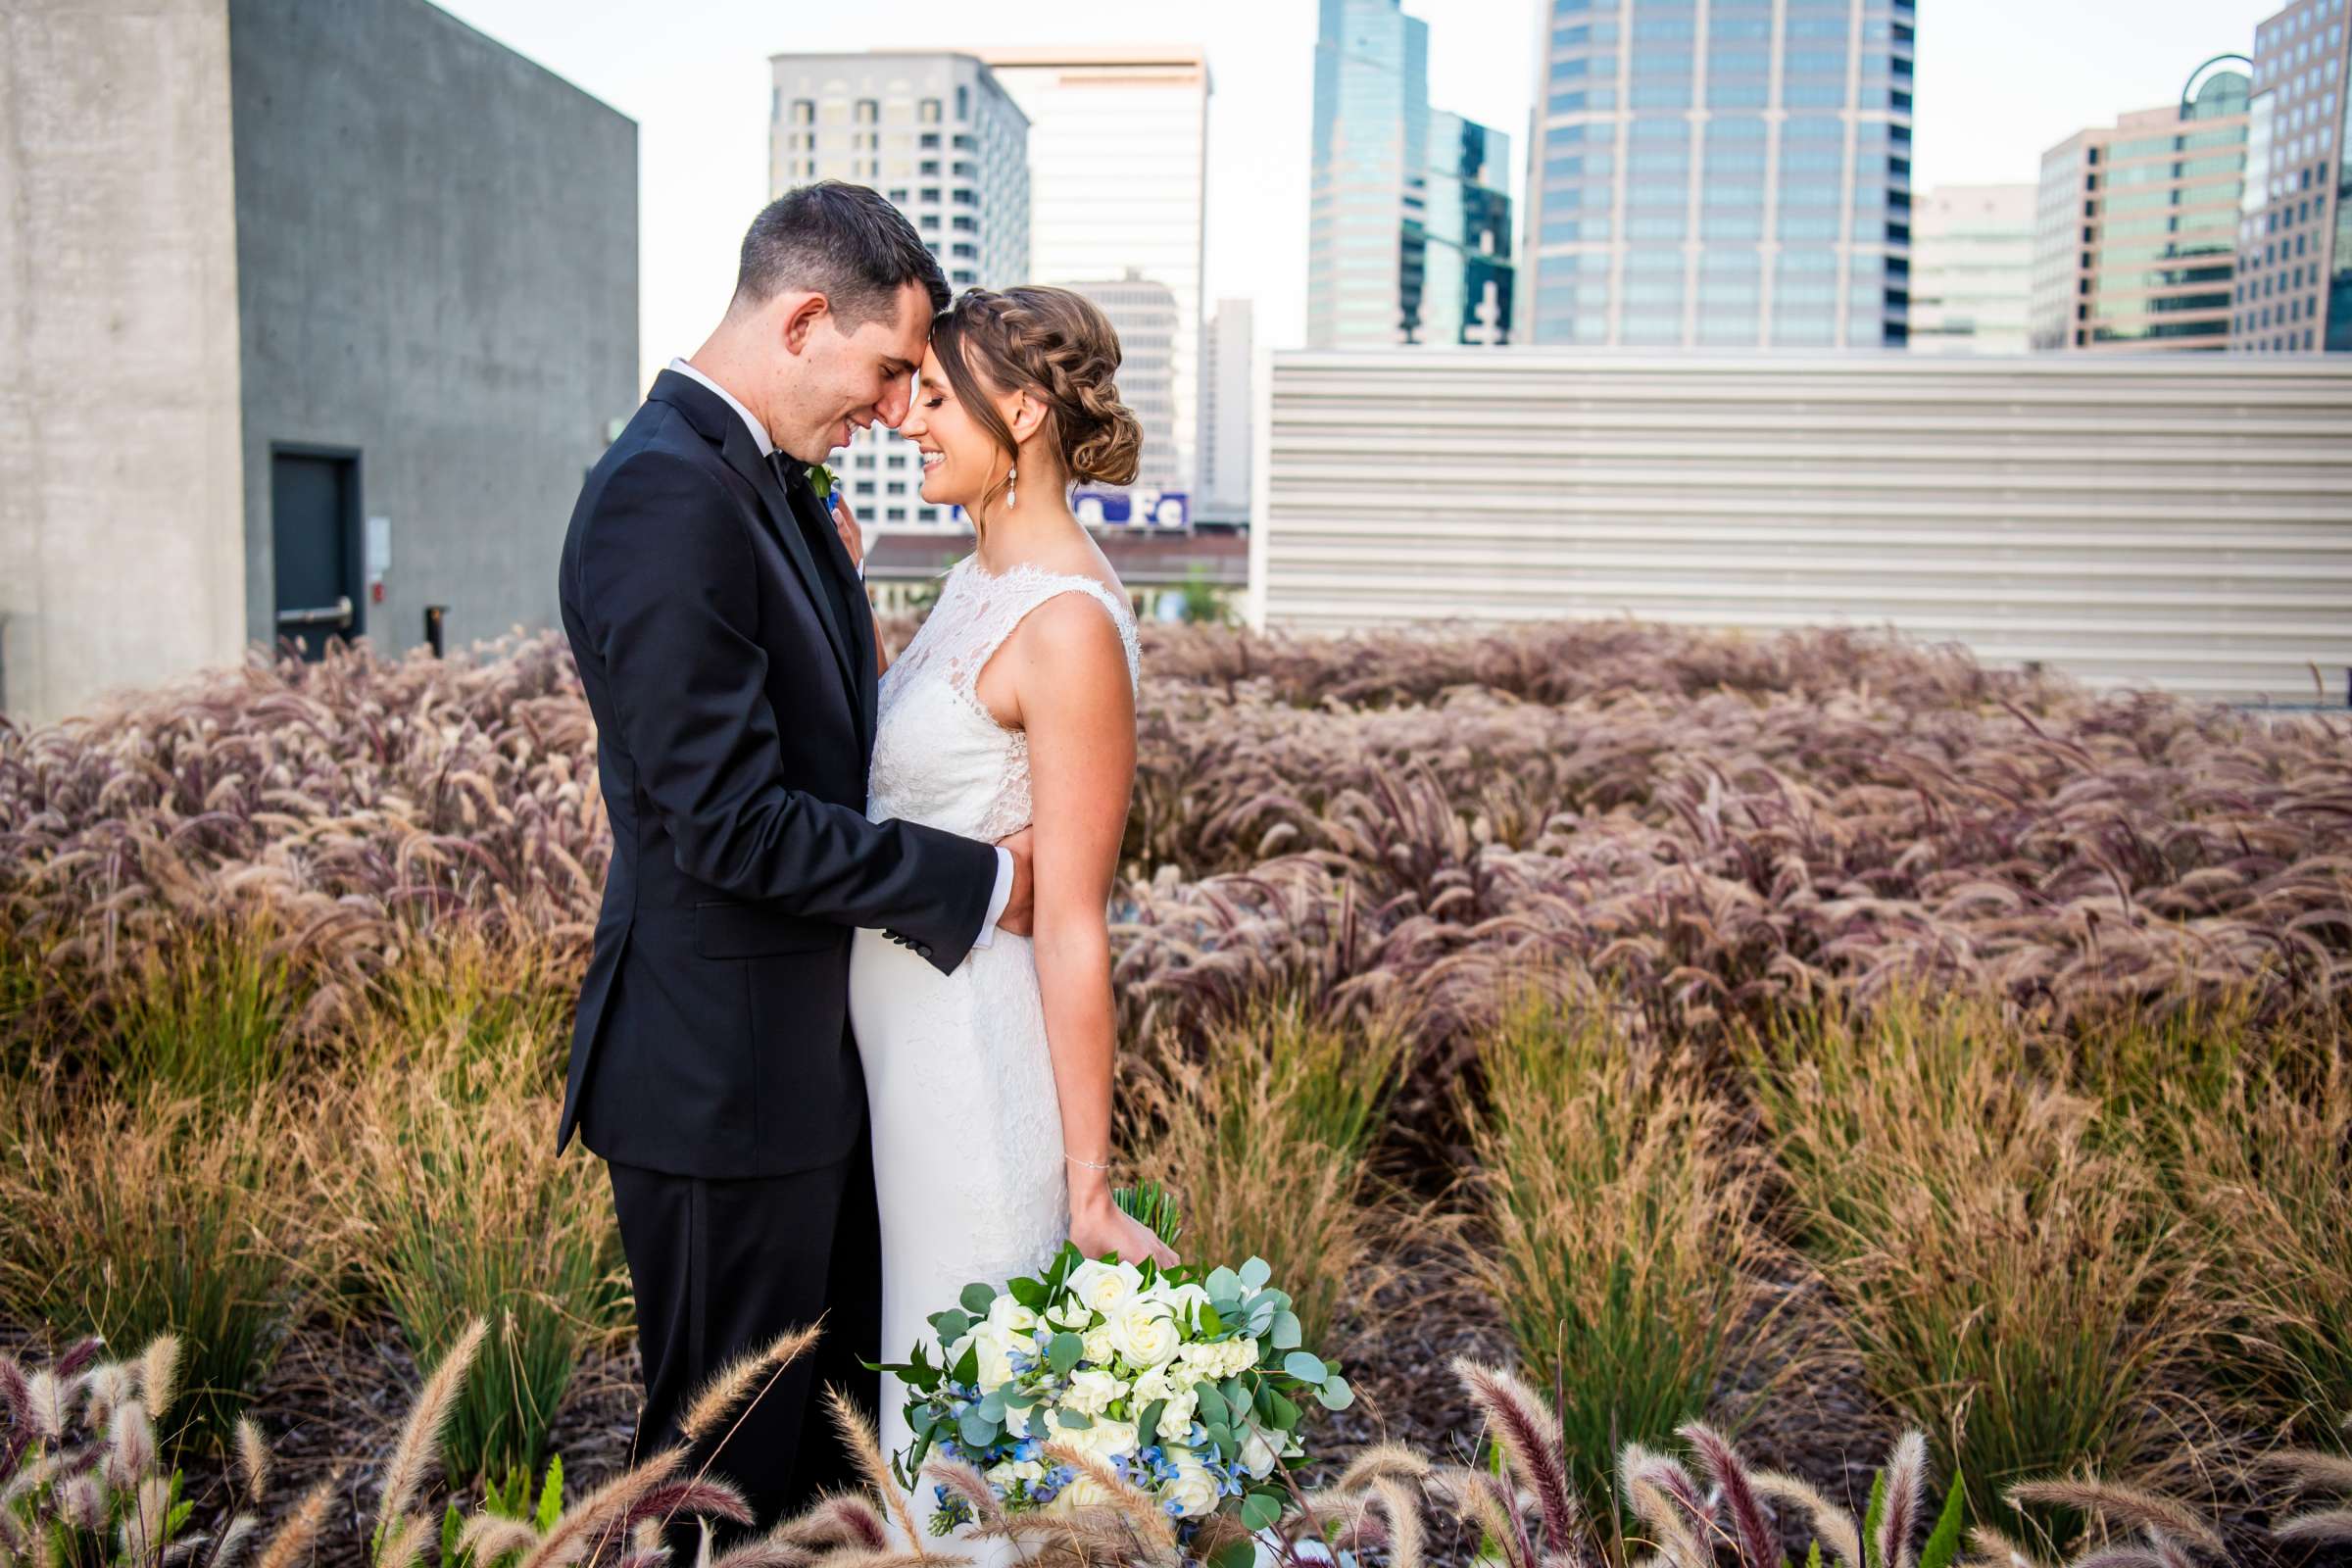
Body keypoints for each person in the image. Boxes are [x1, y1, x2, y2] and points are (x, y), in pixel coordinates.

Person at [553, 181, 1034, 1540]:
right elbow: (730, 823)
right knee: (717, 1491)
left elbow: (826, 741)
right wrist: (987, 882)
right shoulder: (665, 495)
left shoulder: (756, 485)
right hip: (717, 1085)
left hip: (795, 1077)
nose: (894, 408)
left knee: (814, 1482)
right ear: (807, 317)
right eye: (888, 370)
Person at [842, 282, 1181, 1534]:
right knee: (924, 1416)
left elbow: (1079, 918)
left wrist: (1089, 1186)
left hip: (977, 1081)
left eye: (935, 397)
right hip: (903, 1069)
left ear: (1024, 410)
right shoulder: (971, 581)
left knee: (972, 1433)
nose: (907, 421)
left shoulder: (1069, 623)